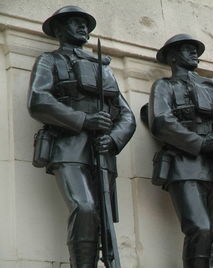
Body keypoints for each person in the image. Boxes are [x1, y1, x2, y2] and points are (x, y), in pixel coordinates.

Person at [27, 6, 136, 268]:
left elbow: (126, 115)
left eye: (85, 23)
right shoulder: (49, 60)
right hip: (68, 148)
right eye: (75, 23)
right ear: (59, 29)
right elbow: (38, 100)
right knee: (84, 208)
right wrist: (83, 120)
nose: (83, 27)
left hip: (102, 150)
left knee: (103, 218)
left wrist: (114, 139)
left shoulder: (103, 69)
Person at [147, 33, 213, 268]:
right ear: (172, 57)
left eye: (195, 49)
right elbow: (161, 122)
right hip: (183, 166)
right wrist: (201, 144)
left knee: (212, 236)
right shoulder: (164, 85)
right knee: (199, 228)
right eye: (187, 49)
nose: (194, 53)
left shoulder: (212, 90)